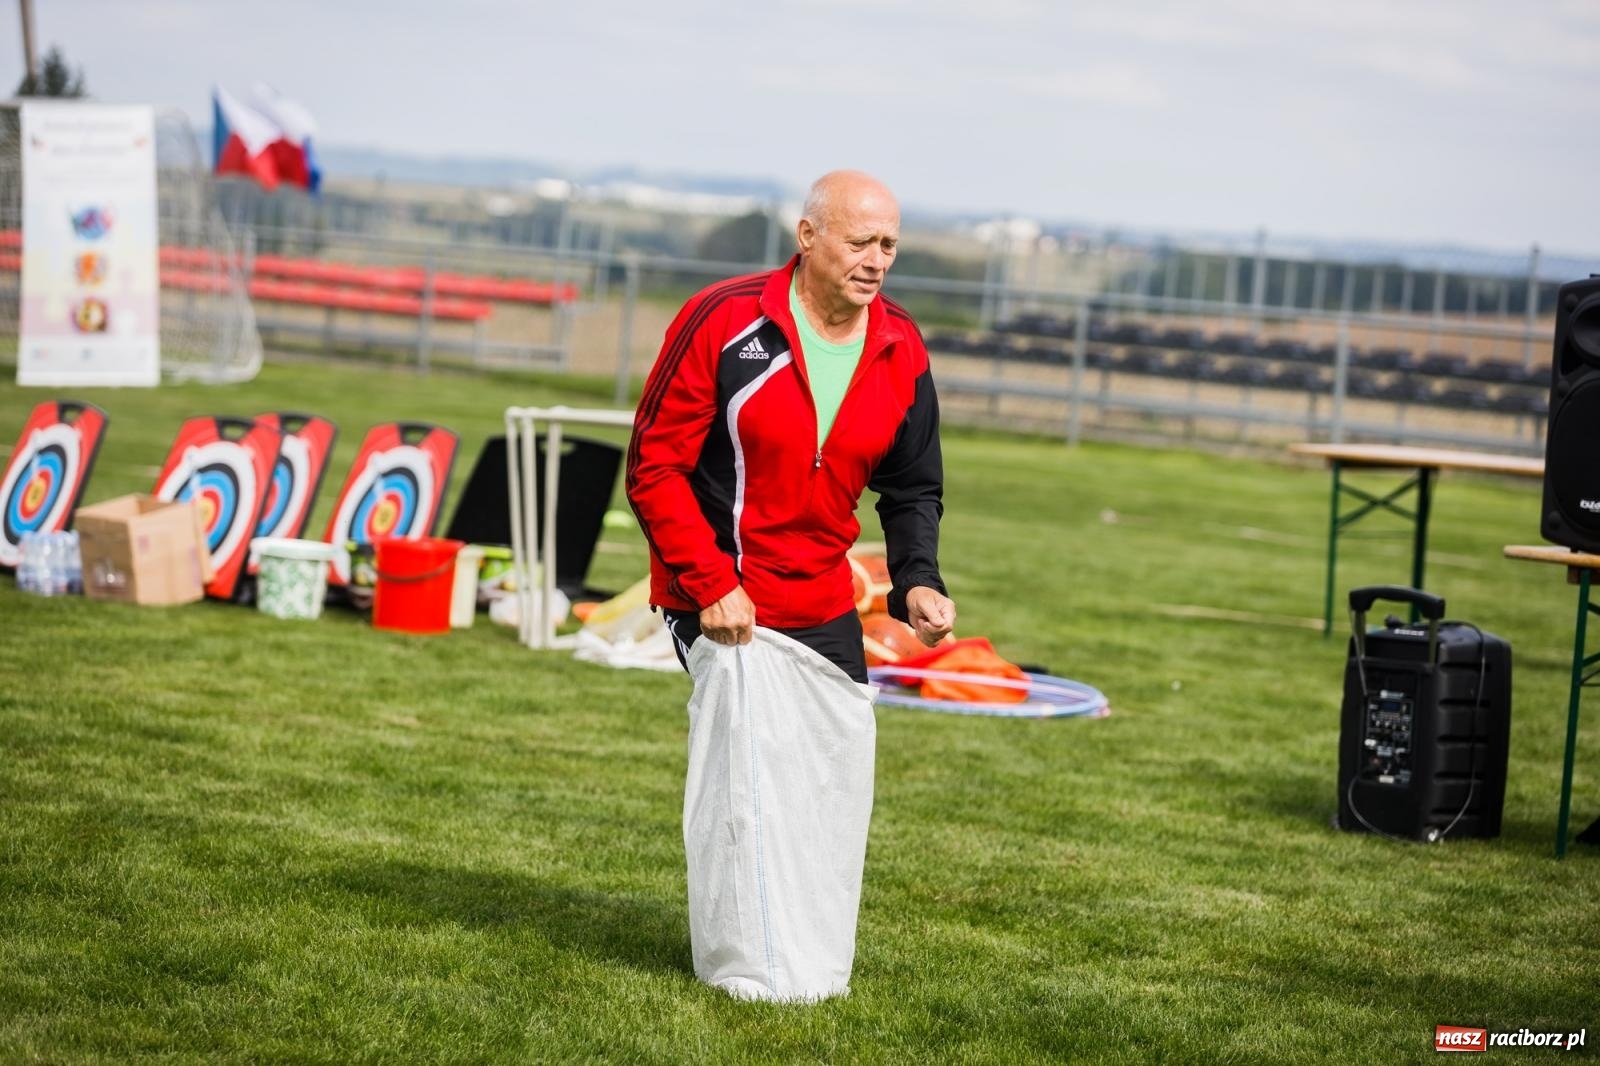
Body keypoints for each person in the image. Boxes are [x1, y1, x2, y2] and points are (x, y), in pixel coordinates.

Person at [626, 170, 956, 682]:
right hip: (719, 598)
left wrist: (917, 580)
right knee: (750, 761)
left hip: (825, 604)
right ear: (807, 236)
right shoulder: (722, 318)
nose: (876, 262)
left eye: (888, 245)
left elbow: (912, 489)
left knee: (837, 757)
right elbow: (655, 469)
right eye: (859, 242)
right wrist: (711, 586)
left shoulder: (902, 344)